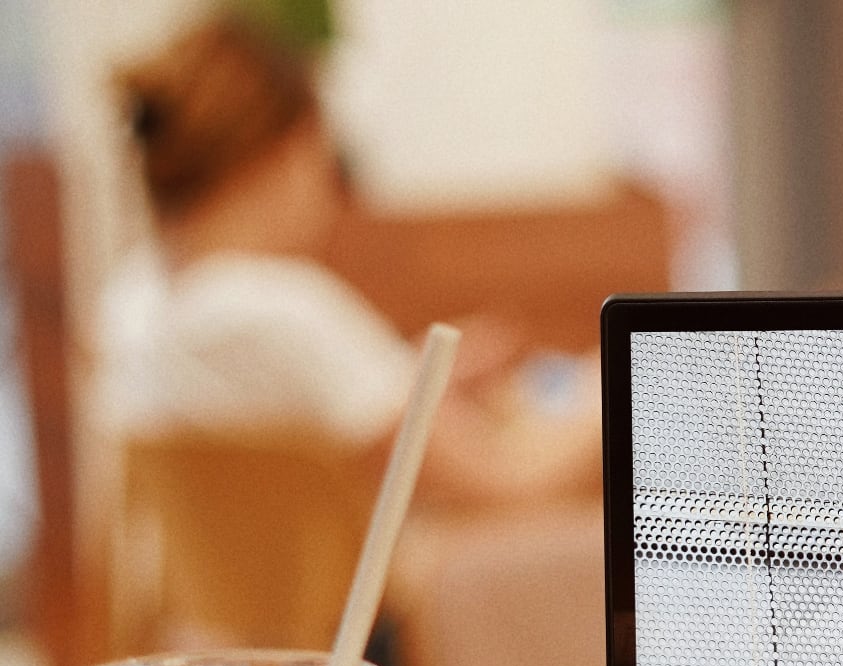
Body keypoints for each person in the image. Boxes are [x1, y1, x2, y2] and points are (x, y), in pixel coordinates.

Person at [102, 14, 600, 511]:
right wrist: (612, 395)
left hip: (245, 588)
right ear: (287, 155)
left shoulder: (134, 301)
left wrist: (421, 382)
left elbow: (318, 397)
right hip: (362, 589)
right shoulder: (285, 312)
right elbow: (506, 482)